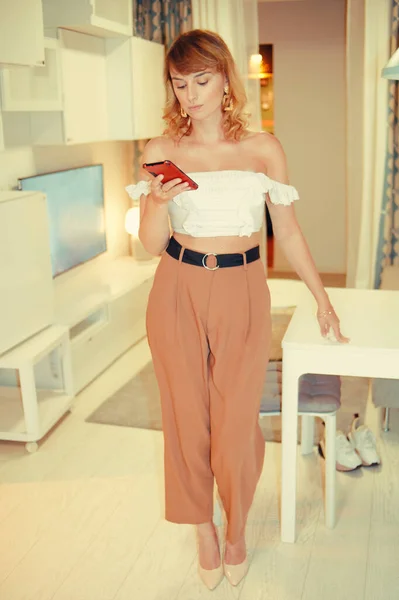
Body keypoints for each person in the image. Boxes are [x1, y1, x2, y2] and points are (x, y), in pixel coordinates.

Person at [126, 29, 349, 590]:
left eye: (201, 80)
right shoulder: (160, 151)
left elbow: (289, 233)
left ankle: (237, 527)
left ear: (225, 77)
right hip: (176, 285)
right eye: (180, 84)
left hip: (244, 286)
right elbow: (149, 246)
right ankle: (203, 526)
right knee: (185, 419)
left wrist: (322, 298)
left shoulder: (262, 148)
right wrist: (156, 202)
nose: (191, 95)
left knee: (235, 423)